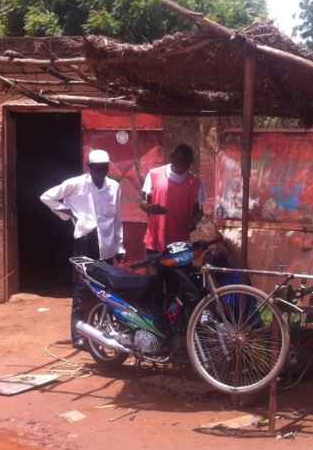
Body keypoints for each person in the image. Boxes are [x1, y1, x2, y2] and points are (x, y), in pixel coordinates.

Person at [40, 148, 125, 348]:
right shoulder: (75, 184)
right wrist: (68, 212)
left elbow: (117, 219)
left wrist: (120, 246)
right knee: (82, 288)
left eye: (104, 169)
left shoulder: (114, 187)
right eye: (97, 169)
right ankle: (78, 334)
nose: (101, 173)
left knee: (106, 289)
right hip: (85, 242)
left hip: (107, 244)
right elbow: (46, 197)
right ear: (89, 168)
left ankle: (102, 329)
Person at [140, 143, 204, 258]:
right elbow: (143, 203)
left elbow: (199, 211)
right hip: (155, 244)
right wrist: (150, 208)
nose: (183, 164)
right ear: (172, 157)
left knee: (181, 276)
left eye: (187, 162)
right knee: (155, 276)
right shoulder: (154, 175)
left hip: (181, 245)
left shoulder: (196, 182)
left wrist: (194, 220)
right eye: (180, 160)